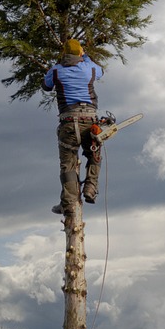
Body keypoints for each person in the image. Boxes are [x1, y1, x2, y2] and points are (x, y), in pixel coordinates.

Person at [42, 38, 104, 216]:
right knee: (94, 153)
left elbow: (46, 86)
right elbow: (101, 72)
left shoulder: (56, 71)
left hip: (68, 121)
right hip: (90, 120)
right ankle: (90, 188)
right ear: (80, 53)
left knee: (68, 164)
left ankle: (68, 204)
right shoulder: (89, 67)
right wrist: (85, 56)